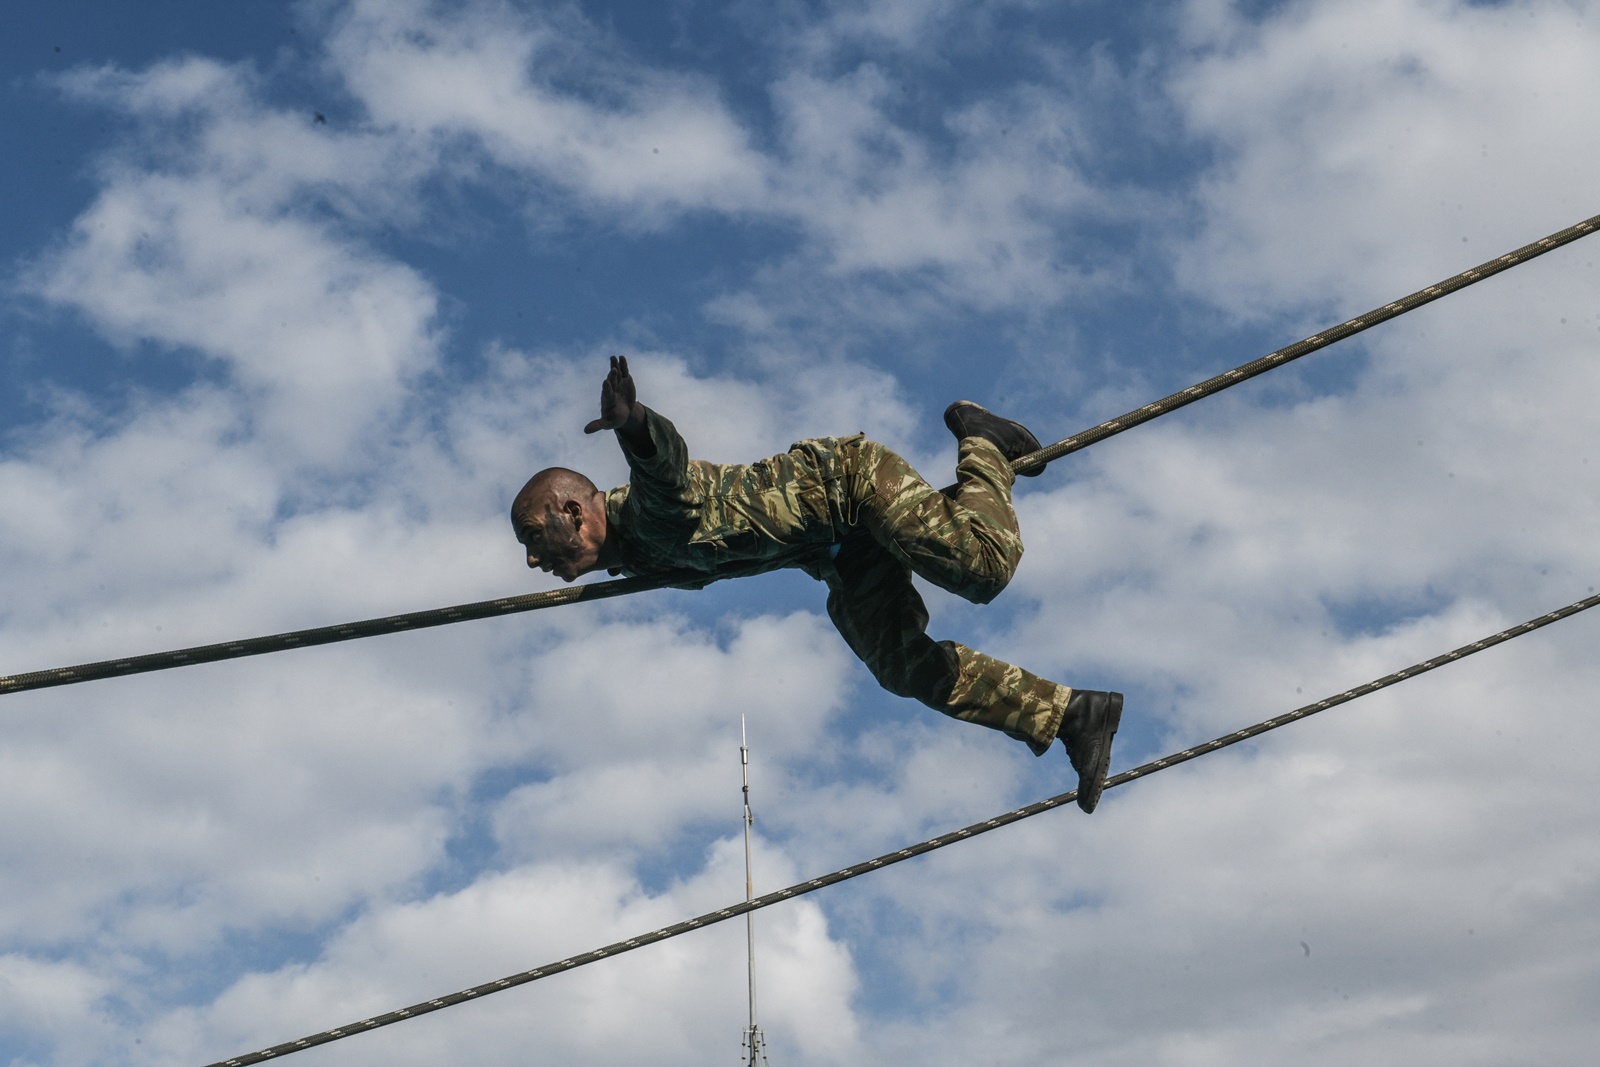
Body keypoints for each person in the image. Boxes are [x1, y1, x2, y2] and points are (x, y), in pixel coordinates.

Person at [511, 357, 1123, 812]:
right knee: (900, 665)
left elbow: (662, 470)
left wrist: (635, 423)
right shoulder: (631, 553)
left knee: (982, 567)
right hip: (837, 552)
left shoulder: (644, 515)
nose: (535, 560)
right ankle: (1072, 715)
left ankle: (984, 442)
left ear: (572, 512)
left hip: (849, 487)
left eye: (534, 537)